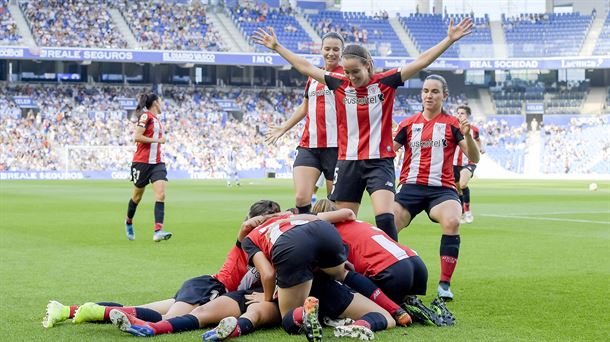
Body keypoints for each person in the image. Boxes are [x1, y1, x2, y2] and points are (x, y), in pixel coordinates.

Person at [253, 18, 473, 241]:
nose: (351, 77)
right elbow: (306, 67)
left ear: (367, 64)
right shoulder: (339, 83)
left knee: (386, 218)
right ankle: (344, 269)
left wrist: (449, 39)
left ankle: (393, 267)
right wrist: (277, 47)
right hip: (348, 162)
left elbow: (421, 61)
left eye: (355, 72)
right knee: (343, 222)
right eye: (347, 72)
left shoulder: (386, 81)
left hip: (379, 161)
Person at [43, 200, 282, 329]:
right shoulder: (247, 240)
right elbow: (245, 227)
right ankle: (100, 312)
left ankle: (67, 310)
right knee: (165, 320)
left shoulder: (267, 249)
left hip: (206, 288)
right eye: (271, 219)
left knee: (143, 308)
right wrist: (271, 219)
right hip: (210, 288)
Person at [241, 209, 412, 340]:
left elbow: (268, 274)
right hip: (324, 232)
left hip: (291, 246)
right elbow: (342, 215)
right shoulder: (287, 216)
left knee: (288, 315)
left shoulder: (250, 238)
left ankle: (305, 313)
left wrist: (267, 299)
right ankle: (393, 311)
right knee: (344, 274)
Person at [393, 75, 481, 301]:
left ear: (444, 96)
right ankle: (389, 277)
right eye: (425, 91)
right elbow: (387, 151)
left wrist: (468, 136)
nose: (429, 95)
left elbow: (474, 157)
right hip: (410, 187)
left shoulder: (453, 124)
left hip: (441, 189)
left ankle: (444, 284)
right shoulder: (408, 124)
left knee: (452, 221)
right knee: (388, 225)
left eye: (434, 91)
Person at [311, 199, 453, 326]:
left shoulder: (331, 233)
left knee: (343, 273)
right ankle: (405, 302)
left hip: (394, 273)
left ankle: (395, 309)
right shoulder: (359, 223)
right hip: (417, 266)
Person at [265, 32, 345, 214]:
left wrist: (278, 47)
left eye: (336, 49)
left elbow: (302, 65)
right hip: (310, 145)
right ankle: (305, 236)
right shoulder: (313, 78)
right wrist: (284, 127)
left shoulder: (345, 77)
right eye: (327, 48)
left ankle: (334, 240)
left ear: (342, 52)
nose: (331, 53)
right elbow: (305, 107)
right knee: (301, 197)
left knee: (334, 204)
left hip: (337, 148)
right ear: (321, 50)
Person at [124, 93, 172, 242]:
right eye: (160, 101)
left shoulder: (157, 120)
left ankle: (158, 231)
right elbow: (137, 137)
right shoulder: (146, 117)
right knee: (137, 197)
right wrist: (157, 140)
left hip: (157, 163)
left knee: (161, 194)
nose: (162, 104)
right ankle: (128, 221)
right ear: (156, 103)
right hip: (141, 163)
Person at [452, 105, 484, 224]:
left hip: (468, 162)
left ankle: (468, 211)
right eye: (458, 113)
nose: (459, 115)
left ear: (467, 115)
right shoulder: (453, 128)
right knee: (458, 189)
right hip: (454, 163)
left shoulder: (473, 129)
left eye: (462, 113)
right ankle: (461, 213)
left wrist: (479, 149)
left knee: (463, 183)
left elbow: (478, 140)